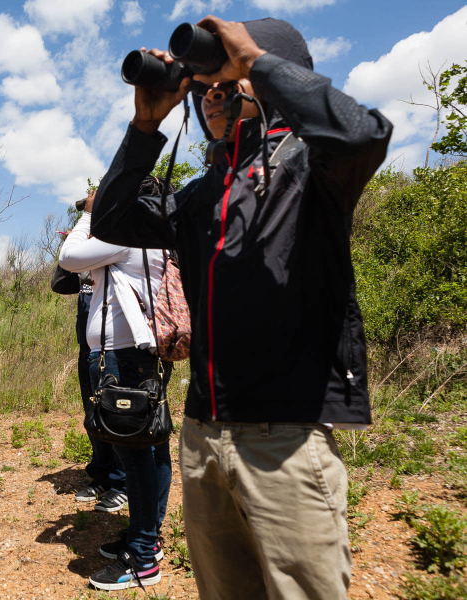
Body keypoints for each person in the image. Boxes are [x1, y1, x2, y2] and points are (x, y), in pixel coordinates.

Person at [90, 16, 392, 599]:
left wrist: (257, 63)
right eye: (203, 90)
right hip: (202, 435)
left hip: (286, 438)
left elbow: (362, 134)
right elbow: (112, 219)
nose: (212, 97)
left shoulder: (312, 171)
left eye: (226, 84)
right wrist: (145, 126)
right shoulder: (203, 194)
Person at [59, 183, 171, 591]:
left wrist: (89, 212)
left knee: (137, 458)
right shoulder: (150, 235)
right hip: (137, 355)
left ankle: (142, 556)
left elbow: (68, 257)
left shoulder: (127, 233)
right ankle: (148, 539)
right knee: (152, 448)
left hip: (122, 358)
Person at [50, 221, 127, 511]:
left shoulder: (113, 256)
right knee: (93, 416)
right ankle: (102, 476)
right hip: (89, 352)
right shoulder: (87, 272)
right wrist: (75, 246)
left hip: (114, 350)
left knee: (115, 417)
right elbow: (60, 284)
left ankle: (122, 481)